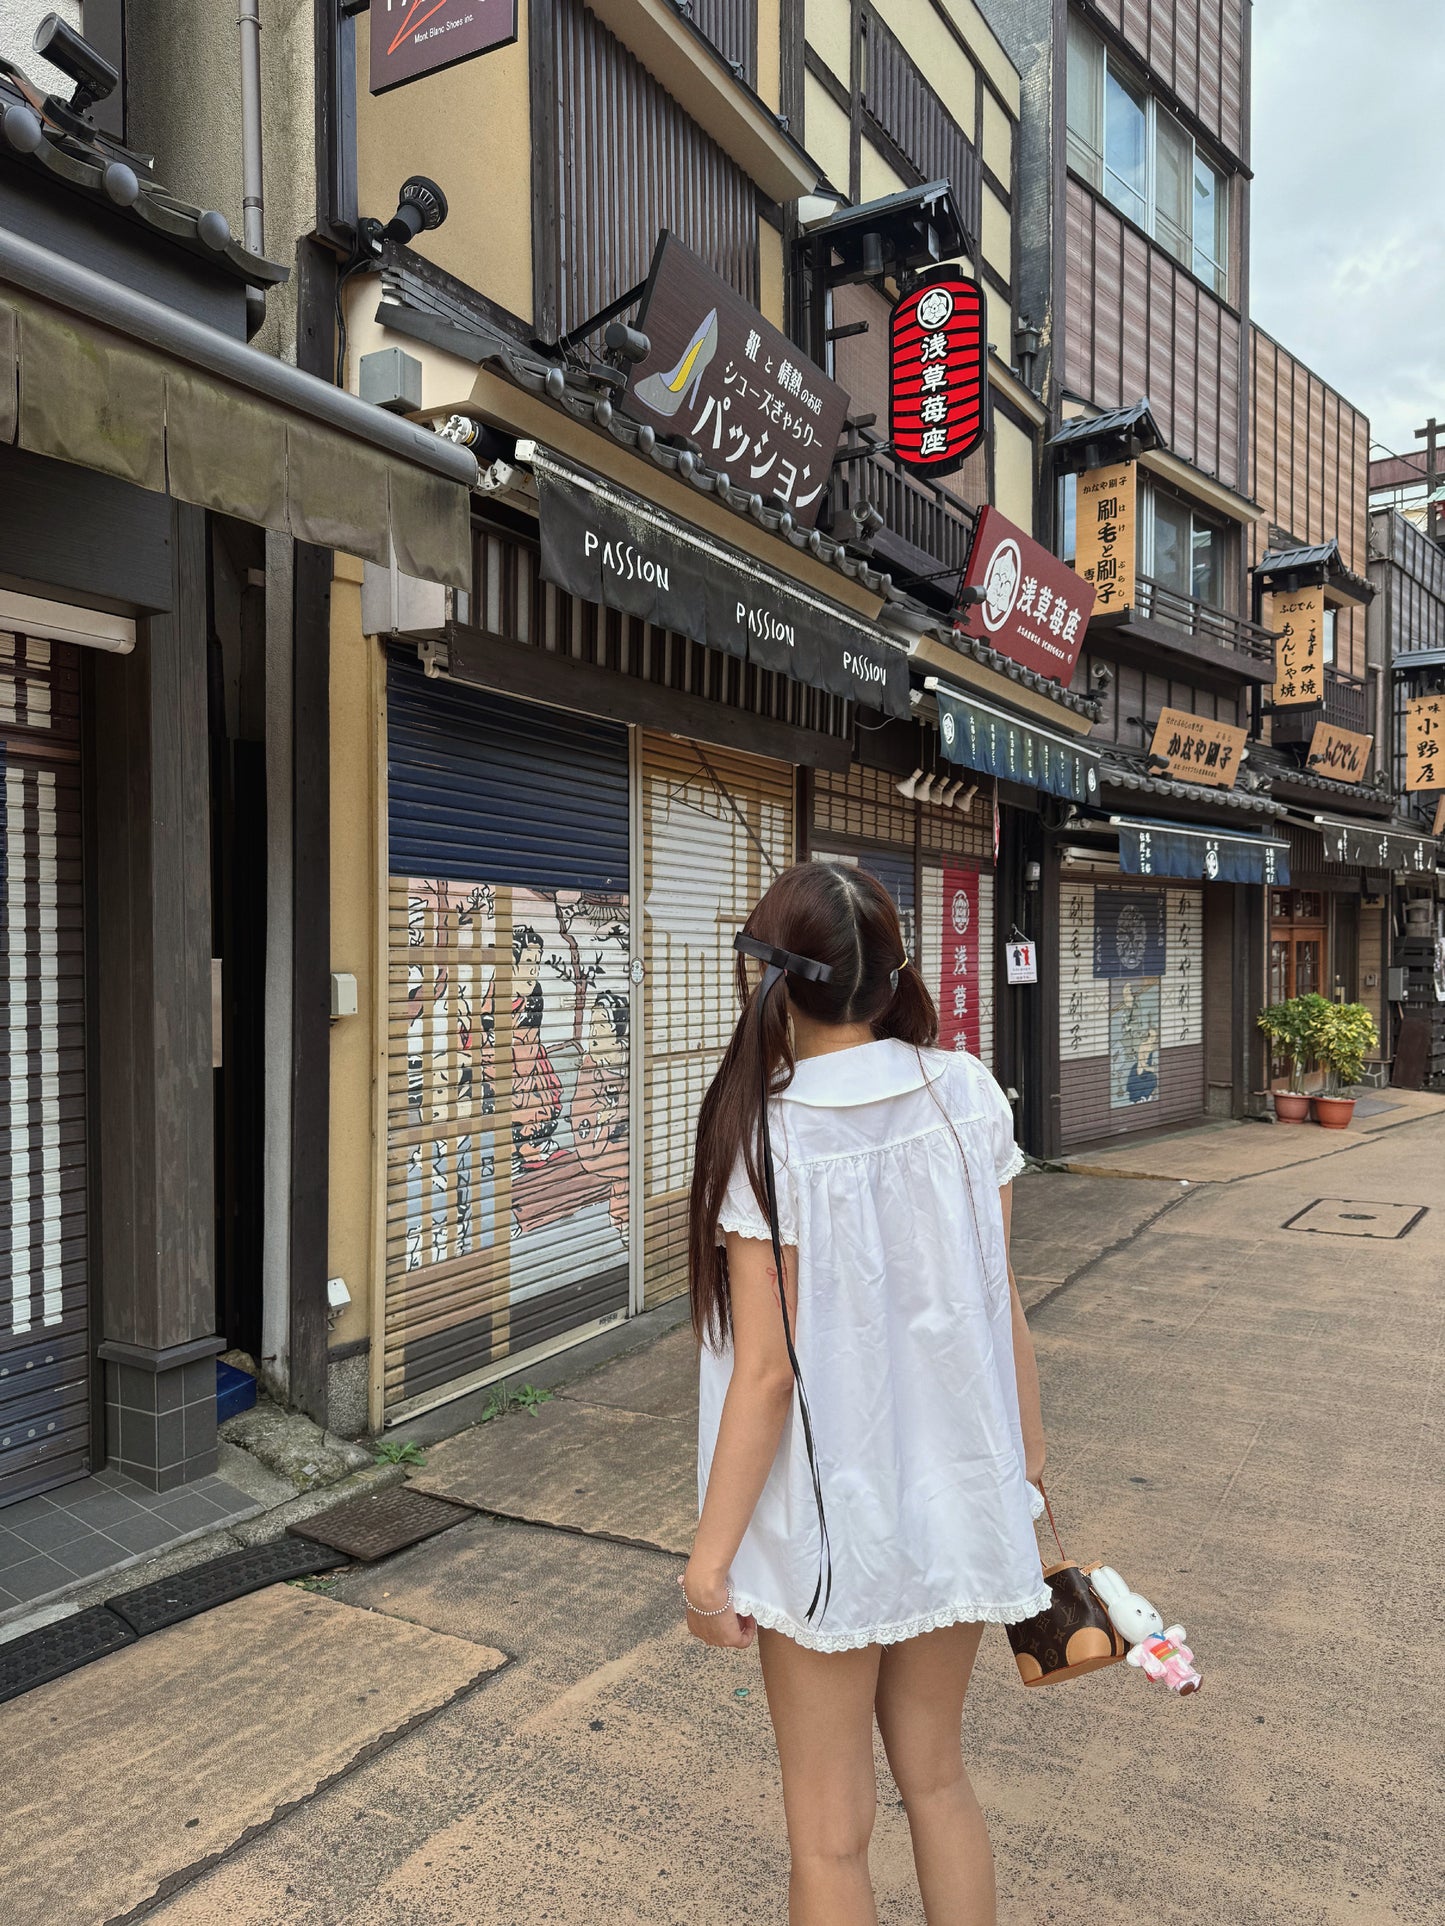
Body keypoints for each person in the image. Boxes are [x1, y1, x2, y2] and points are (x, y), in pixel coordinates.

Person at [683, 861, 1049, 1926]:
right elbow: (999, 1299)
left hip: (824, 1530)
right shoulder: (964, 1093)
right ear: (889, 976)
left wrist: (707, 1572)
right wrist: (1022, 1471)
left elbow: (764, 1376)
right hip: (956, 1497)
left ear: (771, 984)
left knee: (828, 1839)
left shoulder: (763, 1132)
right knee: (937, 1782)